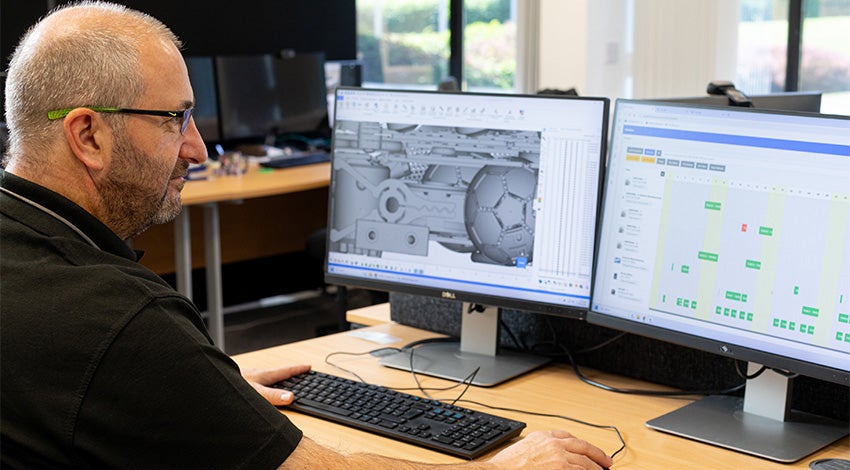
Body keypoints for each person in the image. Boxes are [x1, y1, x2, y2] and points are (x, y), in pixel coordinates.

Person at [0, 2, 615, 469]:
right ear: (86, 136)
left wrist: (198, 391)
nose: (197, 147)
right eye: (174, 119)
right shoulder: (121, 322)